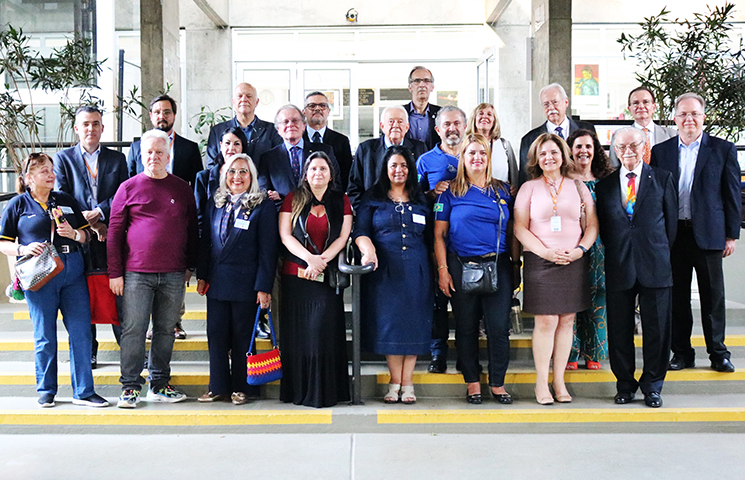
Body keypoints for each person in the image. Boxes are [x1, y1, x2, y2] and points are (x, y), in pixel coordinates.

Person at [0, 153, 108, 408]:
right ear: (29, 178)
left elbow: (87, 236)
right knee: (45, 335)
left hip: (72, 273)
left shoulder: (65, 200)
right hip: (41, 276)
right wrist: (23, 250)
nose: (51, 175)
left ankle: (84, 391)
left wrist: (74, 234)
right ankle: (46, 389)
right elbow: (3, 243)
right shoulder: (18, 205)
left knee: (81, 333)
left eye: (51, 170)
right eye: (44, 171)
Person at [651, 92, 741, 373]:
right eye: (683, 114)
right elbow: (654, 196)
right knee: (677, 297)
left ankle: (718, 353)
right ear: (675, 118)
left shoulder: (722, 149)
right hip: (673, 235)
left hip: (710, 233)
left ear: (704, 117)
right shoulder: (661, 151)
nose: (689, 119)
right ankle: (682, 352)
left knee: (713, 296)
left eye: (694, 114)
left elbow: (731, 194)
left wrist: (731, 234)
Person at [108, 129, 198, 408]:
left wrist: (190, 266)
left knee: (165, 329)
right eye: (149, 152)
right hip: (136, 273)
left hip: (173, 273)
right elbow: (114, 232)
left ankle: (159, 383)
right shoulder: (128, 187)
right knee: (134, 329)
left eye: (159, 152)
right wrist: (115, 273)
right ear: (140, 155)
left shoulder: (182, 187)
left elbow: (192, 229)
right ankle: (130, 387)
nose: (154, 157)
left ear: (168, 156)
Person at [514, 133, 598, 405]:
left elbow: (592, 225)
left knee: (567, 320)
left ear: (563, 155)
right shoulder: (529, 188)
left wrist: (580, 250)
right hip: (540, 260)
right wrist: (545, 252)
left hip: (573, 259)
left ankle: (559, 380)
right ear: (536, 159)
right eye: (543, 154)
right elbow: (519, 227)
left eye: (553, 152)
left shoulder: (578, 186)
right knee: (546, 320)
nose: (548, 158)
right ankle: (541, 381)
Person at [596, 127, 678, 408]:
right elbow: (605, 229)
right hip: (619, 264)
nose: (628, 151)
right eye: (621, 147)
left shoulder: (664, 179)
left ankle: (653, 385)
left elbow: (671, 227)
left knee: (657, 330)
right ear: (614, 150)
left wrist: (654, 250)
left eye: (634, 145)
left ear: (645, 147)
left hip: (655, 264)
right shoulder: (605, 185)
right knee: (619, 330)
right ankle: (625, 384)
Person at [434, 134, 517, 405]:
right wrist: (443, 270)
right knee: (466, 327)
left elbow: (515, 232)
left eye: (482, 153)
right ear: (463, 158)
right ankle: (472, 382)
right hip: (460, 266)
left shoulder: (503, 191)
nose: (477, 158)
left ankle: (497, 383)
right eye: (471, 153)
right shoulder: (448, 193)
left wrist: (516, 266)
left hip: (498, 265)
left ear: (488, 157)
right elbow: (438, 236)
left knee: (498, 328)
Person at [196, 153, 278, 405]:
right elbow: (206, 243)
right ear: (224, 176)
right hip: (217, 281)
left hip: (247, 284)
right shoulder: (215, 203)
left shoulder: (262, 206)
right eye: (232, 171)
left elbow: (268, 250)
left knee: (243, 336)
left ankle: (243, 388)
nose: (237, 177)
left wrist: (263, 287)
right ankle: (218, 386)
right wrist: (202, 275)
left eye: (243, 171)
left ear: (251, 176)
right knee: (216, 334)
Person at [355, 146, 433, 404]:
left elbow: (433, 236)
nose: (398, 170)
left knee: (413, 324)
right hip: (384, 269)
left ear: (410, 170)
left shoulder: (421, 199)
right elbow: (361, 231)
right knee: (391, 325)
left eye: (403, 166)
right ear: (385, 170)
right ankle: (394, 381)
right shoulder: (372, 197)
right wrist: (368, 251)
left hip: (416, 269)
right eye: (393, 166)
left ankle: (408, 381)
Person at [53, 105, 128, 369]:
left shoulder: (117, 159)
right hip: (77, 236)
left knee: (117, 291)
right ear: (77, 128)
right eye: (85, 124)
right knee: (82, 294)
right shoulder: (63, 159)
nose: (91, 129)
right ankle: (90, 351)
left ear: (102, 128)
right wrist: (86, 221)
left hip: (110, 233)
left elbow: (123, 194)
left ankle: (129, 351)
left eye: (96, 124)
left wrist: (100, 213)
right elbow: (61, 195)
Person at [278, 152, 352, 407]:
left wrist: (322, 261)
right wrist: (310, 259)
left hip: (326, 277)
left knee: (322, 332)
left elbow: (343, 237)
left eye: (323, 169)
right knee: (300, 336)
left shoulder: (341, 200)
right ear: (306, 174)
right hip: (296, 277)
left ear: (331, 174)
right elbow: (286, 236)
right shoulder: (293, 198)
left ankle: (326, 392)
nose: (318, 173)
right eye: (313, 169)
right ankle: (299, 391)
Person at [127, 94, 202, 340]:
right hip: (145, 225)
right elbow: (127, 182)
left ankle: (175, 322)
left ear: (174, 115)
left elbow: (197, 186)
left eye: (167, 112)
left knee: (175, 275)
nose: (162, 116)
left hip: (176, 222)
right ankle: (152, 324)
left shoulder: (189, 148)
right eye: (157, 112)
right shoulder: (137, 147)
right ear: (151, 116)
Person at [415, 105, 467, 374]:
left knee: (465, 303)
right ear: (437, 130)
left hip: (467, 244)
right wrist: (431, 192)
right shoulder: (425, 160)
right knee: (437, 299)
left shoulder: (476, 156)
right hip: (433, 240)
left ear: (465, 126)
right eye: (446, 124)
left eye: (457, 123)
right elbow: (412, 196)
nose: (452, 128)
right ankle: (438, 354)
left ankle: (465, 354)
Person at [565, 129, 613, 370]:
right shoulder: (563, 179)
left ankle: (594, 352)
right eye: (578, 146)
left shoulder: (608, 179)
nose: (583, 151)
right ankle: (570, 354)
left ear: (595, 150)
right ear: (570, 151)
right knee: (571, 298)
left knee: (598, 297)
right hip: (570, 245)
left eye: (588, 146)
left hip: (602, 246)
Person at [259, 104, 339, 209]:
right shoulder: (268, 158)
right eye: (285, 122)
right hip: (282, 216)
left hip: (318, 214)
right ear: (278, 129)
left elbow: (335, 186)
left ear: (303, 126)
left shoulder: (324, 151)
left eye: (295, 120)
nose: (290, 125)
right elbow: (263, 193)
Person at [348, 106, 427, 209]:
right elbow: (354, 188)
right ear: (382, 126)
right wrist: (364, 212)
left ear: (407, 127)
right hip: (372, 212)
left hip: (409, 212)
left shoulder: (420, 149)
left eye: (400, 121)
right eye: (391, 121)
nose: (395, 125)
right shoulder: (366, 149)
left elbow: (424, 186)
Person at [518, 83, 596, 186]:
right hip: (546, 195)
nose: (551, 108)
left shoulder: (587, 130)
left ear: (566, 102)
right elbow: (525, 177)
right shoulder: (529, 139)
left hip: (582, 190)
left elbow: (597, 164)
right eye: (546, 104)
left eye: (555, 102)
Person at [206, 82, 283, 169]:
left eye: (249, 96)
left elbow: (278, 164)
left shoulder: (272, 131)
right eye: (239, 96)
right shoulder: (217, 131)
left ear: (256, 102)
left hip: (262, 182)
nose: (244, 99)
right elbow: (211, 166)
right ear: (233, 102)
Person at [195, 127, 248, 233]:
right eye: (227, 143)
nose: (231, 148)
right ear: (220, 146)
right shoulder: (204, 177)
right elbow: (199, 214)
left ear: (243, 147)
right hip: (211, 234)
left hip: (241, 234)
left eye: (237, 144)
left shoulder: (250, 176)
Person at [609, 87, 676, 168]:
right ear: (629, 109)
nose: (641, 106)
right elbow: (613, 167)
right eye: (636, 103)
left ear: (654, 107)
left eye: (646, 102)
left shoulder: (672, 135)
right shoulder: (618, 136)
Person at [302, 91, 354, 188]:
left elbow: (347, 174)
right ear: (304, 112)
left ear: (328, 111)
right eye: (312, 106)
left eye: (322, 105)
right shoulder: (297, 139)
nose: (317, 109)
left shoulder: (341, 141)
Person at [465, 103, 518, 188]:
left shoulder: (504, 145)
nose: (484, 117)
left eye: (489, 114)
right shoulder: (465, 144)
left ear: (494, 121)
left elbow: (514, 175)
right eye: (481, 113)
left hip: (501, 195)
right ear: (474, 119)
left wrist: (514, 187)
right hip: (472, 193)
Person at [403, 66, 441, 151]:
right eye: (417, 81)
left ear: (432, 87)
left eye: (426, 81)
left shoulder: (440, 113)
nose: (422, 85)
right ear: (410, 87)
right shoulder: (400, 113)